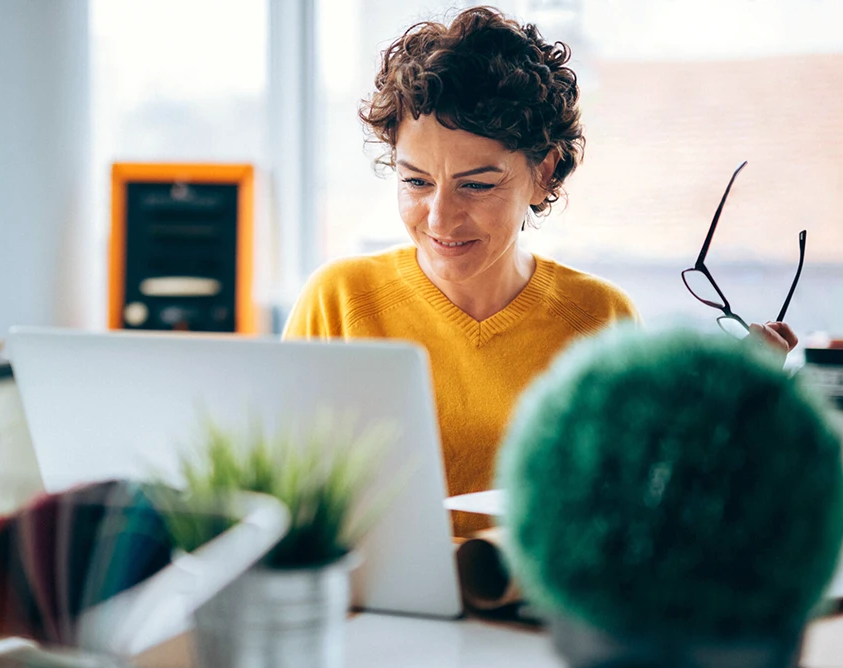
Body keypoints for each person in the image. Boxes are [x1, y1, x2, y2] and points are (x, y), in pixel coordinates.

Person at [282, 6, 797, 536]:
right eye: (415, 182)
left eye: (477, 185)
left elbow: (640, 508)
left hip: (534, 614)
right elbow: (280, 498)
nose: (440, 217)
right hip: (372, 610)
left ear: (543, 173)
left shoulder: (599, 319)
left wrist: (735, 403)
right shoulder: (339, 301)